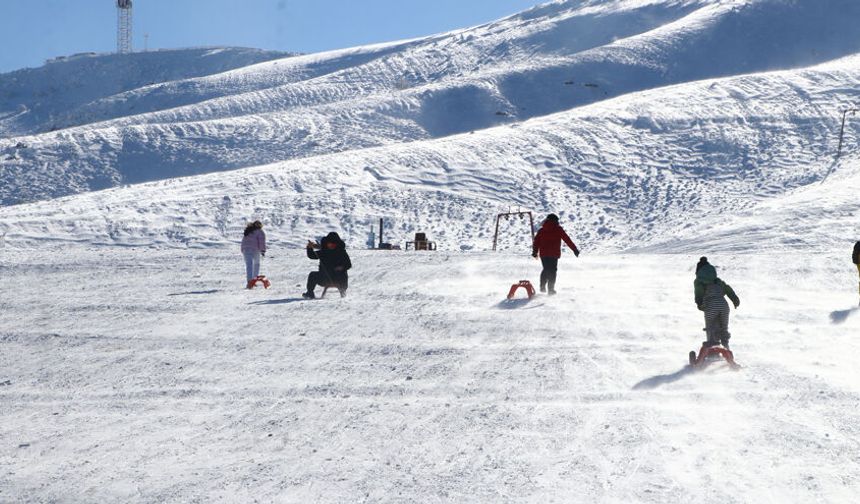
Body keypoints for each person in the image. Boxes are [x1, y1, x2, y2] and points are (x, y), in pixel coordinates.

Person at [694, 257, 740, 348]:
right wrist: (734, 299)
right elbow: (728, 289)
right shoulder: (718, 281)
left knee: (710, 327)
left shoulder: (699, 282)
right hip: (724, 305)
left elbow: (699, 292)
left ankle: (712, 348)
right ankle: (726, 347)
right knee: (724, 327)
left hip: (710, 305)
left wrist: (699, 303)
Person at [531, 213, 580, 295]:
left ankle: (542, 286)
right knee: (552, 271)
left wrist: (535, 251)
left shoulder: (541, 230)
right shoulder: (558, 229)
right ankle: (551, 289)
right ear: (555, 221)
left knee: (546, 269)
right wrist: (574, 249)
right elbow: (567, 239)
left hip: (544, 254)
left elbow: (536, 242)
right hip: (554, 254)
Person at [303, 232, 352, 299]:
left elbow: (348, 264)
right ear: (327, 243)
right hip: (324, 279)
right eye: (330, 244)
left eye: (334, 244)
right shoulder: (324, 252)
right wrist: (309, 248)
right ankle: (310, 293)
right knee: (312, 275)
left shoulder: (342, 252)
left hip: (338, 279)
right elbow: (312, 256)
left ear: (337, 244)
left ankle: (343, 292)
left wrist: (342, 267)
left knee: (343, 274)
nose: (331, 245)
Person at [241, 221, 266, 289]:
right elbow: (261, 241)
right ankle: (254, 280)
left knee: (249, 265)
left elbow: (243, 241)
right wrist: (263, 250)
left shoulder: (248, 230)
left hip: (246, 249)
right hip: (255, 250)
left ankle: (249, 282)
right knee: (256, 264)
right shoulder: (260, 231)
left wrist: (243, 250)